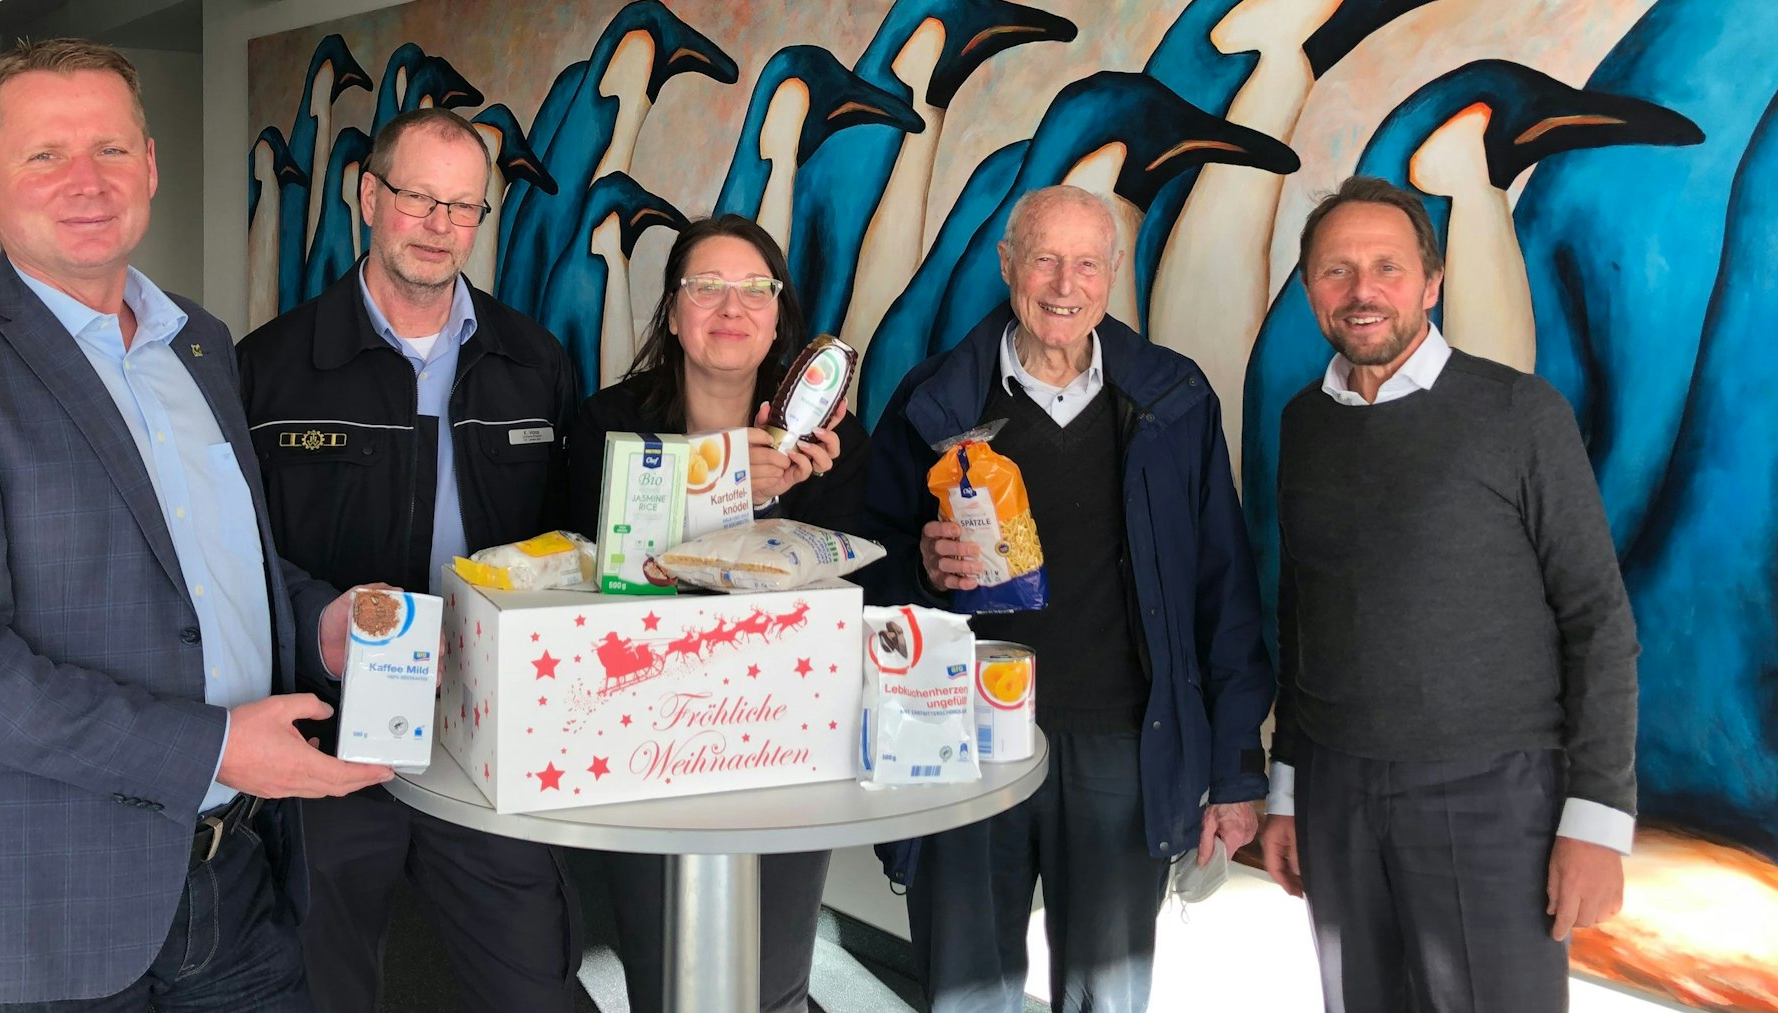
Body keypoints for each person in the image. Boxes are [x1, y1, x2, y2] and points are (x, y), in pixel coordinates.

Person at [0, 38, 394, 1011]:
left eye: (111, 149)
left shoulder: (199, 342)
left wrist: (320, 622)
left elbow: (218, 568)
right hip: (43, 906)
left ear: (150, 165)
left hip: (237, 881)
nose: (85, 182)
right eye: (44, 154)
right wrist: (211, 748)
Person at [862, 185, 1272, 1013]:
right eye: (1044, 257)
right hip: (965, 743)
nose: (1064, 282)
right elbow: (866, 565)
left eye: (1087, 262)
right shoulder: (934, 399)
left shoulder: (1173, 400)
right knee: (968, 990)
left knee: (1108, 992)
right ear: (1007, 265)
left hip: (1125, 741)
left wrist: (1234, 766)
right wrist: (921, 570)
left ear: (1114, 275)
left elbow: (1221, 591)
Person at [1257, 175, 1638, 1012]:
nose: (1363, 292)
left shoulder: (1519, 413)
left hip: (1492, 798)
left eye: (1388, 268)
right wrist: (1288, 790)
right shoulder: (1301, 423)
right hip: (1336, 791)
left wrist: (1599, 816)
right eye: (1336, 270)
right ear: (1310, 288)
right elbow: (1302, 611)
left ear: (1431, 283)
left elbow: (1598, 619)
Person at [237, 106, 582, 1013]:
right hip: (327, 733)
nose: (439, 227)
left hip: (486, 733)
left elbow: (571, 544)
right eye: (418, 198)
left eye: (464, 207)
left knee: (532, 983)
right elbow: (235, 564)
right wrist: (322, 621)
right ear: (367, 195)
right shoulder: (270, 370)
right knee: (324, 986)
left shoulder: (534, 363)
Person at [564, 213, 868, 1013]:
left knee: (773, 980)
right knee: (664, 974)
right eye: (706, 288)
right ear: (671, 311)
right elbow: (583, 577)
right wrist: (737, 486)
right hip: (643, 736)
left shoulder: (832, 445)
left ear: (779, 318)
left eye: (755, 290)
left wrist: (792, 494)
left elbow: (867, 589)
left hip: (786, 737)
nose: (731, 309)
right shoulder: (604, 426)